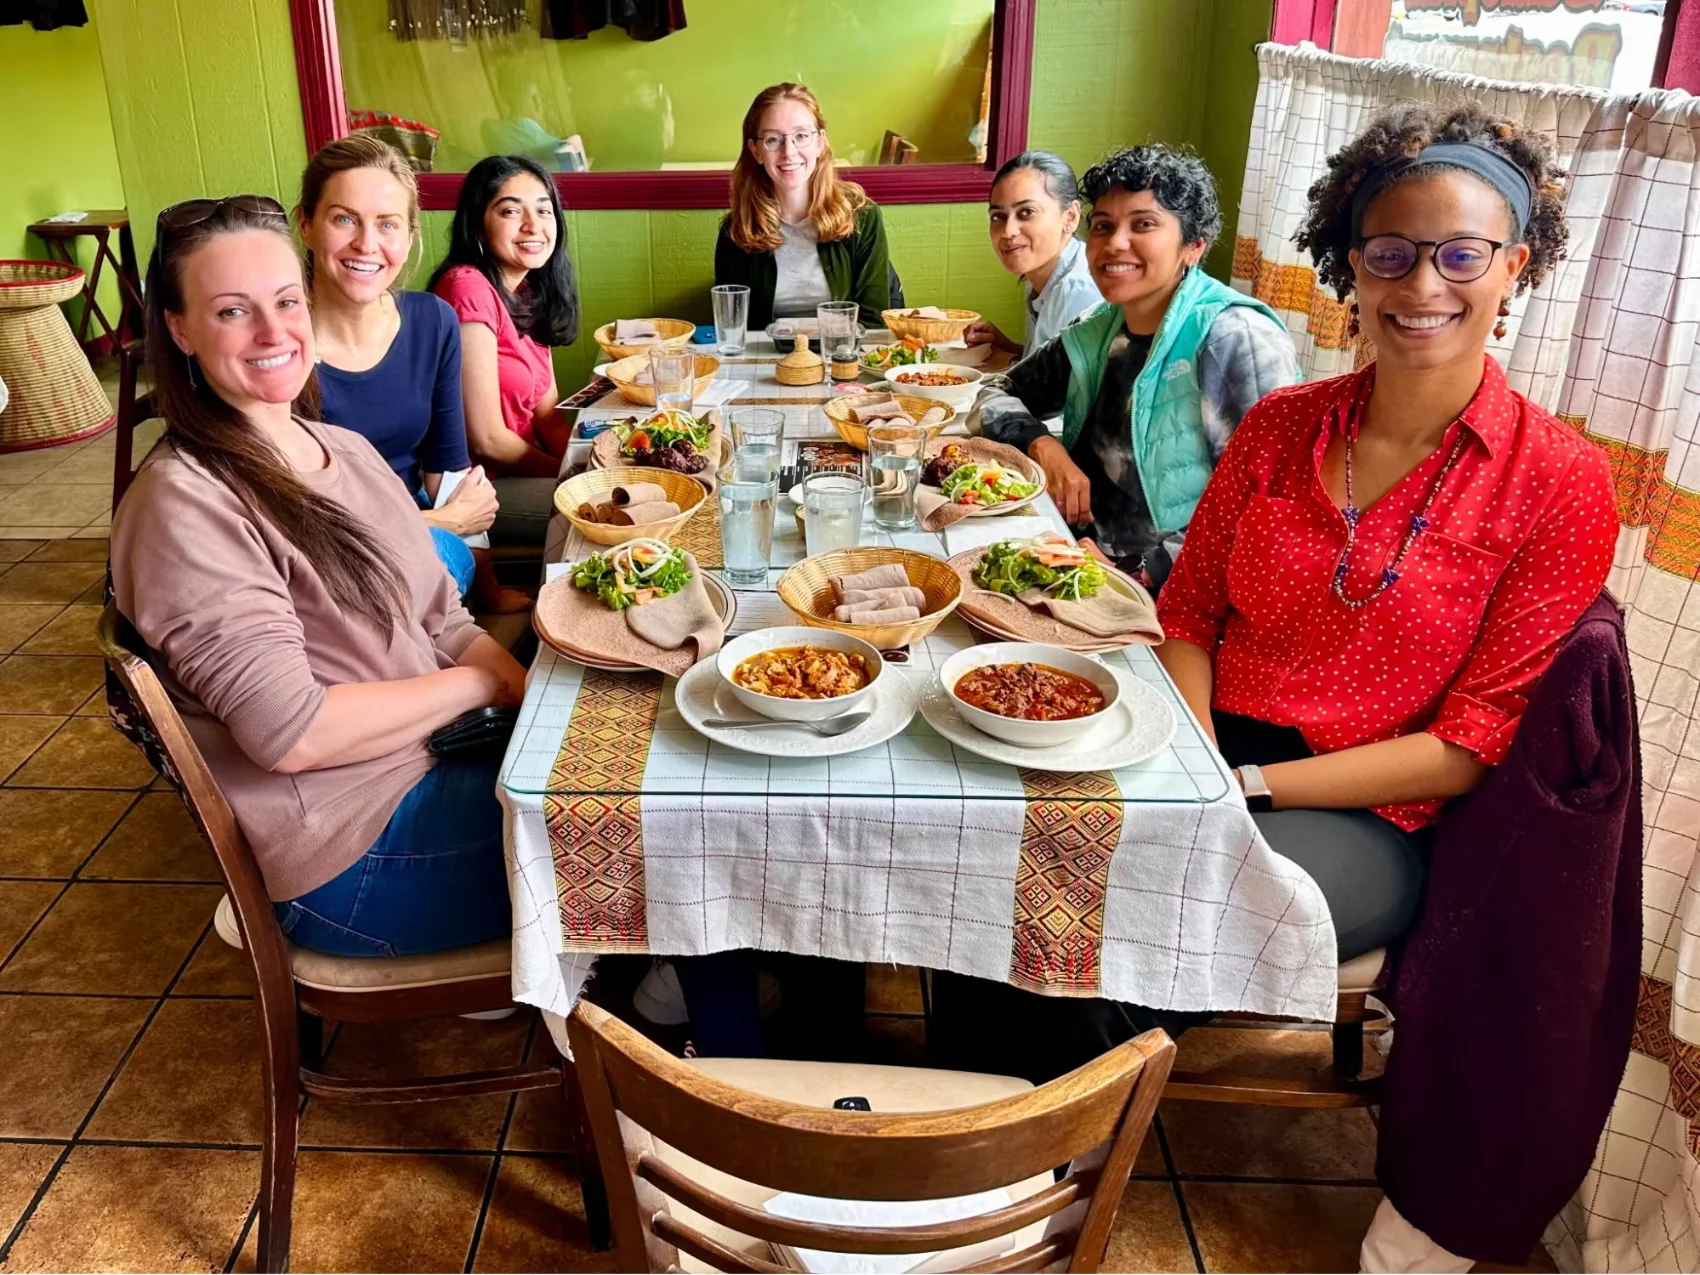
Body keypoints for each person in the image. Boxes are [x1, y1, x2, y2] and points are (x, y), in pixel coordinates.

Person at [110, 194, 529, 957]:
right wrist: (482, 688)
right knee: (647, 827)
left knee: (634, 770)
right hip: (353, 847)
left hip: (434, 758)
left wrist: (517, 687)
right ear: (180, 328)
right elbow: (292, 732)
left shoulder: (343, 450)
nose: (273, 332)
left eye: (285, 301)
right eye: (233, 311)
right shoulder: (183, 504)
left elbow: (445, 619)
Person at [978, 144, 1299, 590]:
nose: (1115, 243)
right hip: (1074, 558)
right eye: (1104, 226)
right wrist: (1043, 447)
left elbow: (1270, 507)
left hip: (1175, 593)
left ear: (1194, 245)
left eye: (1143, 225)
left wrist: (1140, 573)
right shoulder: (1098, 330)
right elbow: (992, 394)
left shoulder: (1233, 337)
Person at [296, 135, 528, 612]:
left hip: (426, 539)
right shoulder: (281, 345)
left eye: (387, 224)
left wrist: (489, 592)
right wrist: (444, 520)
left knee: (426, 569)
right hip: (325, 554)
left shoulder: (432, 320)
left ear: (410, 235)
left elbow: (447, 466)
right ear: (307, 225)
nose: (367, 244)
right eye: (344, 219)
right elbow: (299, 520)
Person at [430, 154, 580, 551]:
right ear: (479, 224)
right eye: (512, 211)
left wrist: (591, 464)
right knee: (606, 512)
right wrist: (567, 477)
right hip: (478, 490)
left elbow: (547, 416)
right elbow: (487, 440)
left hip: (521, 473)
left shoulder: (529, 292)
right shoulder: (466, 288)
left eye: (544, 211)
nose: (533, 226)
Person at [714, 82, 892, 329]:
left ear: (819, 142)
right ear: (756, 151)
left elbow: (873, 323)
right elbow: (734, 329)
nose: (789, 152)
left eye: (801, 136)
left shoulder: (863, 217)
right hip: (770, 361)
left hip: (842, 358)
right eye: (773, 139)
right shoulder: (735, 231)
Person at [964, 150, 1103, 358]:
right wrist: (1006, 345)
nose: (1008, 231)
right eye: (998, 216)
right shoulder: (1040, 274)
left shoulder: (1076, 289)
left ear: (1070, 217)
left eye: (1026, 212)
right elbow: (1052, 368)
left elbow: (1060, 389)